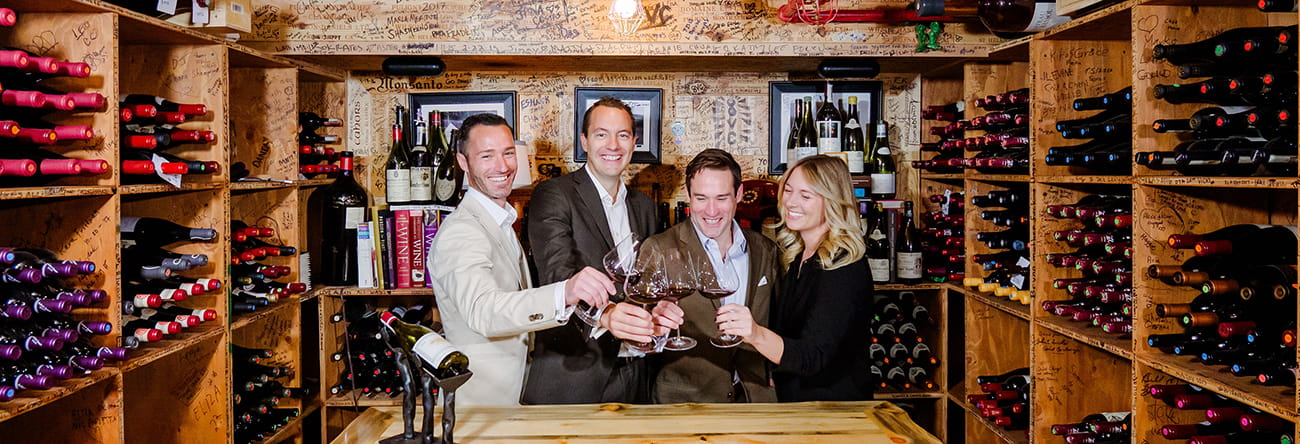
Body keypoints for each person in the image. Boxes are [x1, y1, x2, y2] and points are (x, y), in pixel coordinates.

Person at [427, 113, 618, 406]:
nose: (502, 166)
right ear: (464, 163)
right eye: (487, 156)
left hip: (516, 395)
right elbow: (483, 311)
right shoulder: (462, 231)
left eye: (507, 153)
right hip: (482, 404)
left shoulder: (499, 222)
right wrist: (564, 292)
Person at [522, 97, 659, 404]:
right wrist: (605, 313)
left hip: (635, 375)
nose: (613, 145)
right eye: (601, 134)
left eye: (623, 135)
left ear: (634, 142)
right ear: (584, 141)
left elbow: (648, 286)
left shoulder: (646, 208)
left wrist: (658, 310)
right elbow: (557, 274)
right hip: (572, 378)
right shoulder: (554, 194)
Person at [716, 155, 874, 402]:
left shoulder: (844, 266)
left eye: (806, 195)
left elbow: (812, 357)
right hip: (800, 403)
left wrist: (755, 333)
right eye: (788, 190)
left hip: (837, 412)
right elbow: (790, 337)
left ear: (832, 202)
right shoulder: (798, 256)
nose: (791, 202)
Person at [647, 149, 781, 403]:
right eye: (701, 198)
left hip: (757, 401)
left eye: (721, 198)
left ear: (738, 195)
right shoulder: (659, 249)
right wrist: (654, 326)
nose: (711, 211)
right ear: (688, 195)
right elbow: (635, 333)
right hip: (685, 403)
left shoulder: (766, 250)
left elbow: (780, 322)